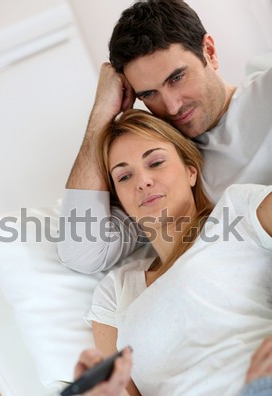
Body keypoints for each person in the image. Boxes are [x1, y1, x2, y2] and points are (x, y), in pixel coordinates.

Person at [73, 109, 272, 396]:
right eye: (123, 177)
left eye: (156, 162)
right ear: (119, 201)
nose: (143, 181)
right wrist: (109, 393)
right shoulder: (115, 291)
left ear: (191, 170)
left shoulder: (237, 211)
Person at [57, 0, 272, 274]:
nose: (171, 106)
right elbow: (83, 253)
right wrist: (100, 117)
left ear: (209, 51)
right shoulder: (162, 166)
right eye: (148, 94)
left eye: (177, 78)